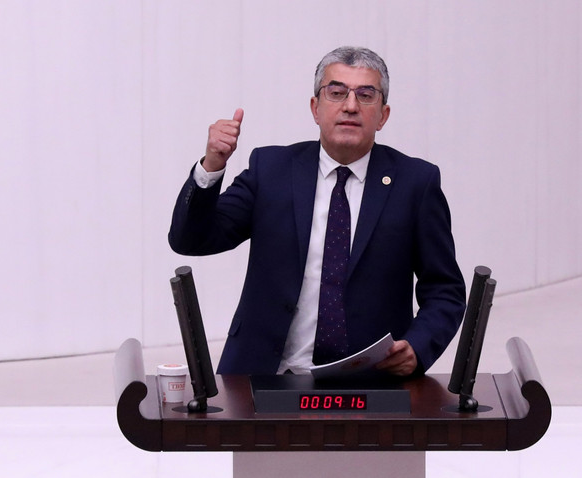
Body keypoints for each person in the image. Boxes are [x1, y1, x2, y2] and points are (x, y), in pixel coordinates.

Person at [169, 46, 466, 376]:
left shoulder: (415, 184)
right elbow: (191, 240)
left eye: (366, 95)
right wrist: (211, 165)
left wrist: (418, 347)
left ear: (383, 115)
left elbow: (445, 291)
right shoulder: (271, 170)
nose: (350, 106)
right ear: (315, 108)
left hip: (370, 381)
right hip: (264, 377)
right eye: (336, 93)